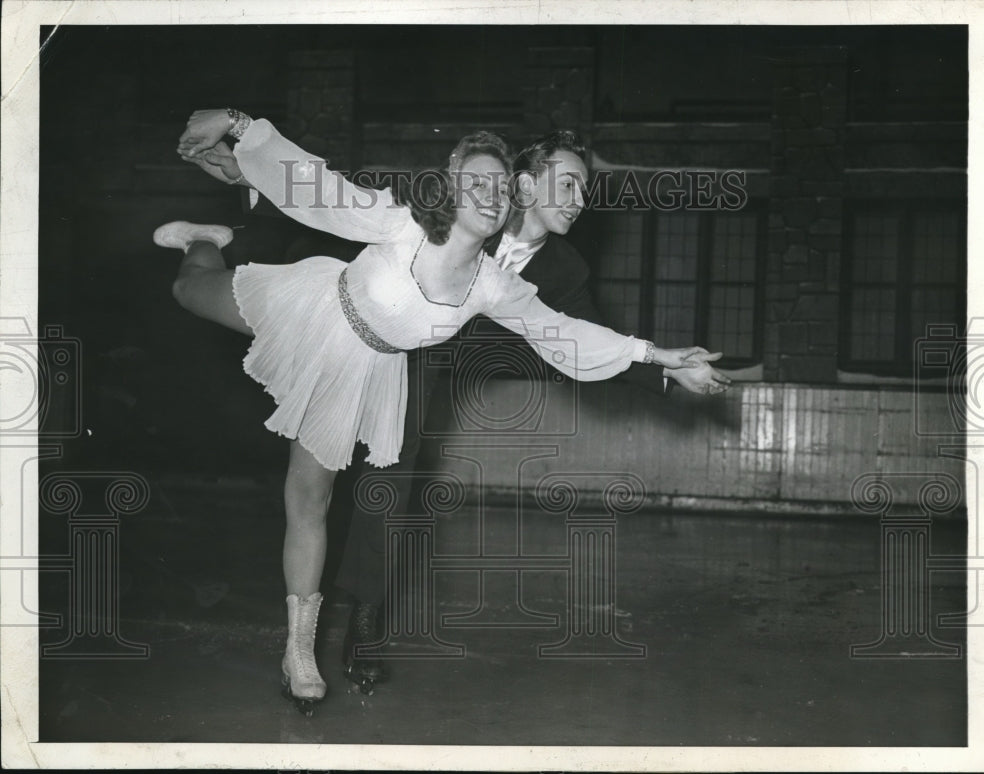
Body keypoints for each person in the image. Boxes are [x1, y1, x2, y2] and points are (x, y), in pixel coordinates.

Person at [164, 108, 721, 715]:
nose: (490, 195)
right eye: (477, 183)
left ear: (514, 197)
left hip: (383, 365)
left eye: (498, 187)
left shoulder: (503, 285)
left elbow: (568, 333)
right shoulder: (403, 218)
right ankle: (204, 240)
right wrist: (243, 133)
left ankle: (303, 652)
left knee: (317, 497)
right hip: (317, 307)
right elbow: (323, 192)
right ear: (454, 184)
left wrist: (662, 358)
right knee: (187, 292)